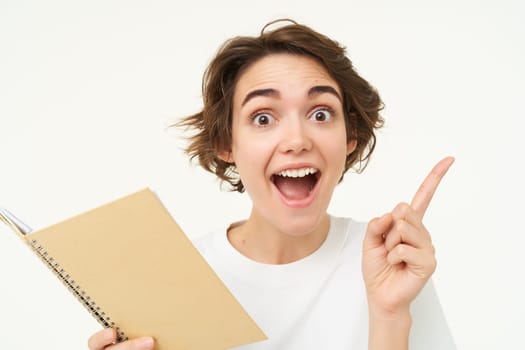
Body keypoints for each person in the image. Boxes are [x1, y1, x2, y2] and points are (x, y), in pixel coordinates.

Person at [88, 19, 456, 350]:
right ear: (226, 144)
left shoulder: (392, 262)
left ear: (350, 137)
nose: (297, 140)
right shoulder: (174, 281)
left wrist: (390, 317)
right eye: (263, 118)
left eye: (321, 113)